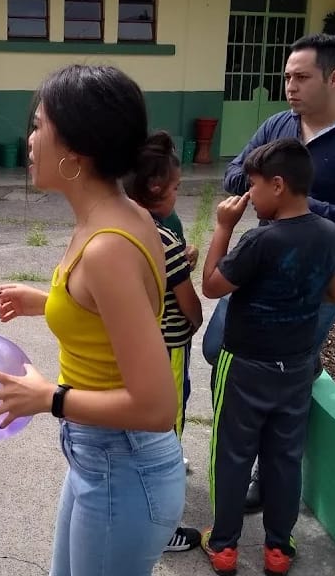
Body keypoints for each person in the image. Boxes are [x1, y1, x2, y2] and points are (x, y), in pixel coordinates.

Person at [0, 65, 186, 576]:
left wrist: (50, 398)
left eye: (38, 125)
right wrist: (49, 301)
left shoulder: (107, 245)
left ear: (77, 149)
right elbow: (108, 315)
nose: (28, 139)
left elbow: (157, 406)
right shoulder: (115, 215)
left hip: (124, 462)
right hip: (103, 457)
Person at [205, 33, 335, 512]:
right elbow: (233, 172)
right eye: (287, 76)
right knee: (217, 348)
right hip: (259, 268)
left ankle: (268, 479)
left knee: (288, 373)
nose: (290, 86)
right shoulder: (278, 125)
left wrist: (303, 207)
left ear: (334, 78)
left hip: (317, 281)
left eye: (302, 77)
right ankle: (238, 456)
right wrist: (255, 177)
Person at [200, 138, 335, 576]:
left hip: (245, 364)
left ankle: (225, 546)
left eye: (253, 185)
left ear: (279, 185)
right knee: (285, 457)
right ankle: (278, 550)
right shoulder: (331, 234)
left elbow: (211, 285)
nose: (249, 195)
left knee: (231, 453)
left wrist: (224, 226)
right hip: (298, 365)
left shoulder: (258, 241)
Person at [123, 135, 203, 553]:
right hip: (169, 349)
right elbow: (190, 308)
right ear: (155, 188)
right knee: (165, 430)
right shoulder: (167, 244)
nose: (177, 195)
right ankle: (161, 528)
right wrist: (195, 319)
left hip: (132, 349)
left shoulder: (123, 233)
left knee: (139, 430)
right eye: (175, 188)